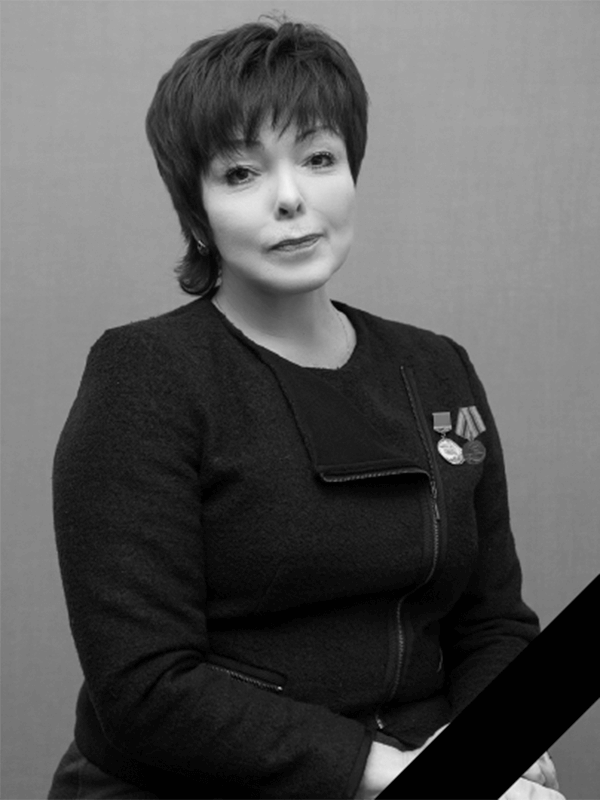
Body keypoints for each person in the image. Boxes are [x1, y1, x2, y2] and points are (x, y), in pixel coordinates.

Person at [48, 16, 564, 800]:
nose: (290, 199)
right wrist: (389, 775)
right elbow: (146, 686)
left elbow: (493, 621)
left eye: (319, 158)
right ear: (196, 210)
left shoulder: (437, 368)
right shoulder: (145, 375)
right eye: (241, 173)